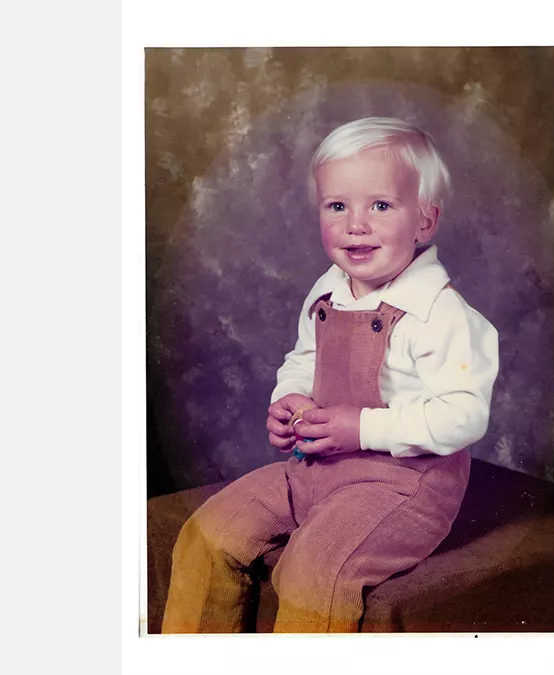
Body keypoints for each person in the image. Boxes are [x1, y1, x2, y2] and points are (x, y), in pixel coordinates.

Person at [162, 117, 500, 632]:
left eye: (381, 206)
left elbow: (464, 415)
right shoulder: (328, 290)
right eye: (337, 206)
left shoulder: (441, 315)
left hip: (403, 487)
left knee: (312, 571)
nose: (354, 225)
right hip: (317, 467)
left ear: (425, 221)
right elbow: (304, 357)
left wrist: (360, 427)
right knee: (210, 532)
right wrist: (291, 398)